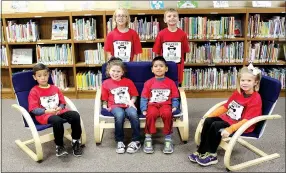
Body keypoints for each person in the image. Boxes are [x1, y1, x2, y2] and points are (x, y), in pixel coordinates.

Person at [188, 63, 262, 166]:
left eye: (249, 81)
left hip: (242, 124)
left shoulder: (256, 99)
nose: (245, 83)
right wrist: (210, 115)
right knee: (208, 121)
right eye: (242, 80)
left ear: (255, 82)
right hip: (230, 118)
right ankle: (202, 150)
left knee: (216, 125)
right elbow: (226, 107)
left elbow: (247, 120)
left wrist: (230, 129)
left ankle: (212, 155)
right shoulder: (238, 93)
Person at [28, 63, 83, 157]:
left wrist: (60, 107)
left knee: (75, 115)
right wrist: (47, 111)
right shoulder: (34, 91)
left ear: (48, 75)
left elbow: (62, 102)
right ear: (35, 77)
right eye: (39, 76)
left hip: (59, 111)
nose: (43, 78)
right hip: (45, 115)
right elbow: (34, 110)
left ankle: (75, 141)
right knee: (57, 120)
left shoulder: (55, 88)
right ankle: (59, 145)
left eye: (45, 75)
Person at [140, 56, 180, 154]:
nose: (158, 68)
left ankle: (168, 138)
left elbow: (175, 96)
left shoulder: (171, 83)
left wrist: (175, 106)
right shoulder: (148, 83)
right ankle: (148, 138)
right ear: (152, 69)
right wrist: (143, 108)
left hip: (166, 105)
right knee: (151, 115)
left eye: (161, 66)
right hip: (152, 105)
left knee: (168, 114)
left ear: (166, 69)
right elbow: (144, 97)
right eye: (156, 66)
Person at [101, 57, 141, 154]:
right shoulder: (106, 83)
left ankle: (136, 140)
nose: (115, 73)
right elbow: (104, 98)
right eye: (113, 71)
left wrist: (132, 101)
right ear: (108, 71)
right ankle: (120, 141)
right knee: (119, 115)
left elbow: (135, 95)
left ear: (122, 72)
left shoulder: (128, 82)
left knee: (133, 114)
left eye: (118, 71)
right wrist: (105, 106)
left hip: (128, 104)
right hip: (114, 105)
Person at [152, 8, 190, 86]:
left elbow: (185, 50)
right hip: (165, 65)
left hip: (178, 66)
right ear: (165, 20)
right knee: (165, 84)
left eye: (174, 16)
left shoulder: (182, 34)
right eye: (169, 16)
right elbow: (157, 51)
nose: (172, 17)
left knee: (177, 86)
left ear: (178, 19)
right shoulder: (161, 34)